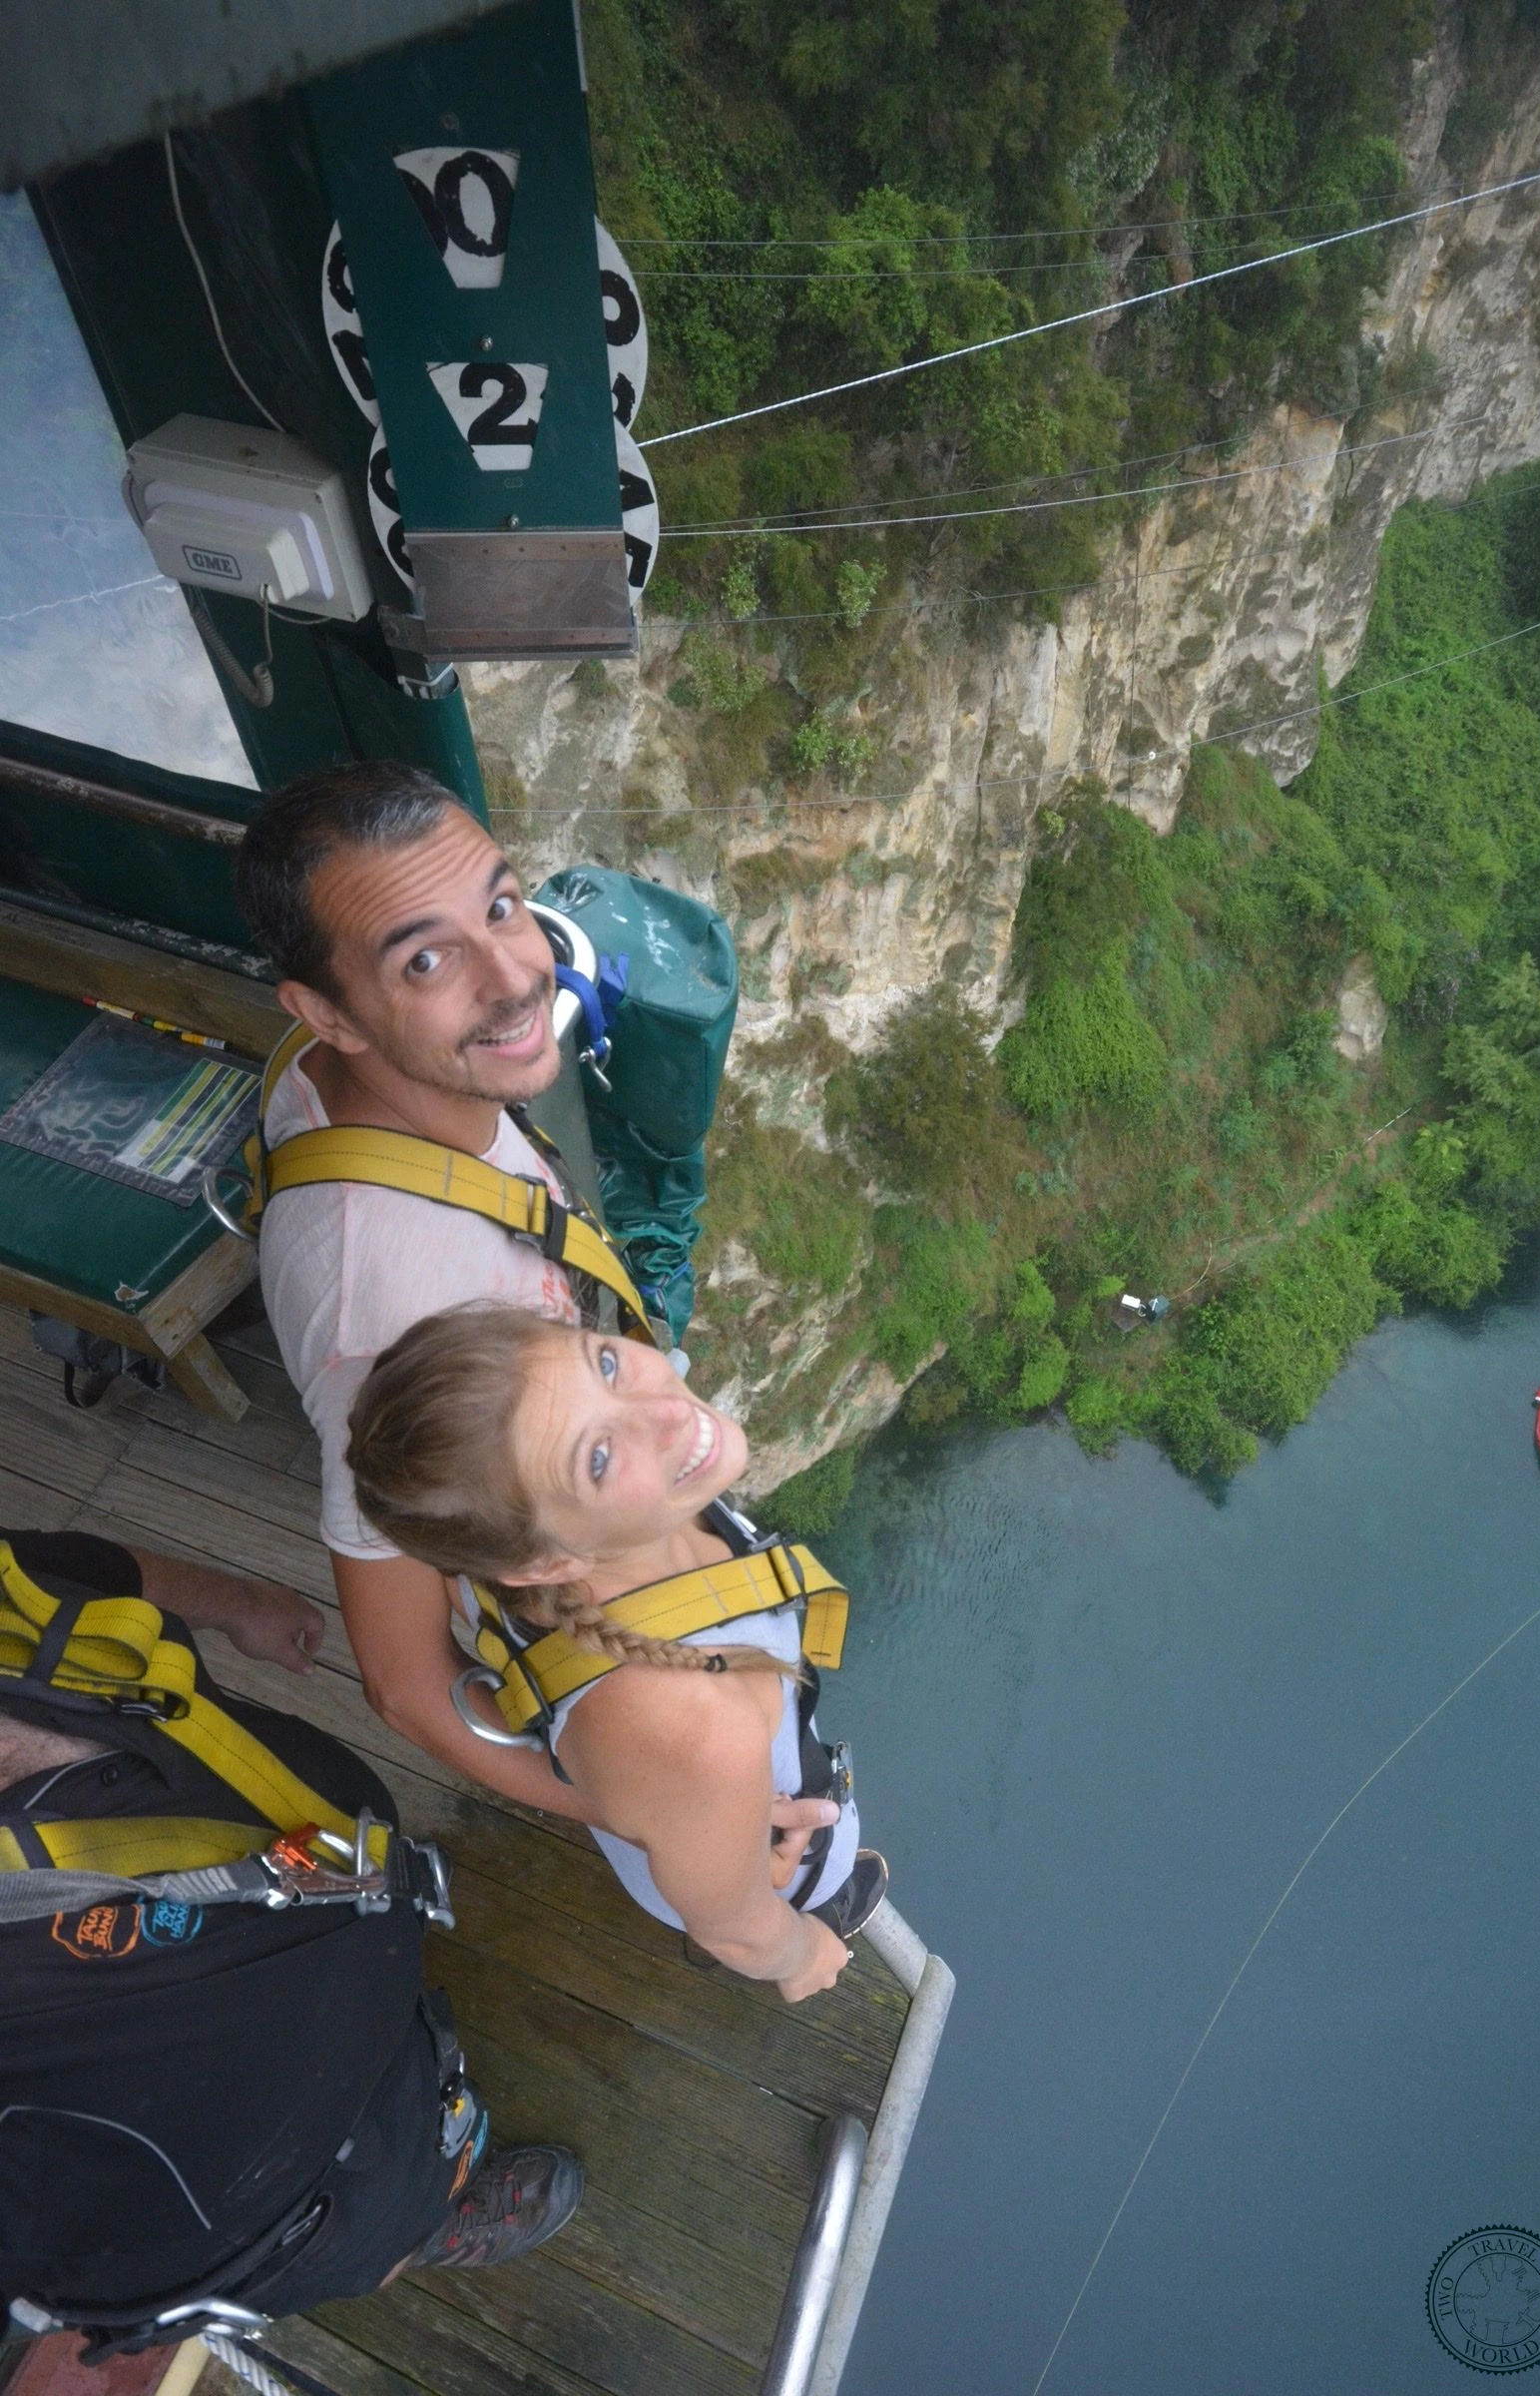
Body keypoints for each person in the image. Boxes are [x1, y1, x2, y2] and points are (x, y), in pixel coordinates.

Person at [233, 764, 837, 1880]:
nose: (515, 977)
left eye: (502, 908)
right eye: (426, 960)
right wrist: (654, 1813)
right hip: (589, 1617)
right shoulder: (390, 1318)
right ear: (326, 1013)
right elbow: (406, 1686)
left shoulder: (385, 1089)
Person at [0, 1526, 580, 2352]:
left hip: (348, 1949)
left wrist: (240, 1606)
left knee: (412, 2091)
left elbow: (86, 1570)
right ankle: (416, 2231)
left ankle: (433, 2148)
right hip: (248, 2214)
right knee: (360, 2232)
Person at [346, 1306, 884, 2005]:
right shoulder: (697, 1730)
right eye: (596, 1457)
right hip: (772, 1853)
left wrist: (657, 1808)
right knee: (804, 1883)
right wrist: (801, 1951)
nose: (664, 1410)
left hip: (696, 1809)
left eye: (603, 1364)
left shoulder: (504, 1535)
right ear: (544, 1563)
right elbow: (735, 1928)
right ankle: (833, 1900)